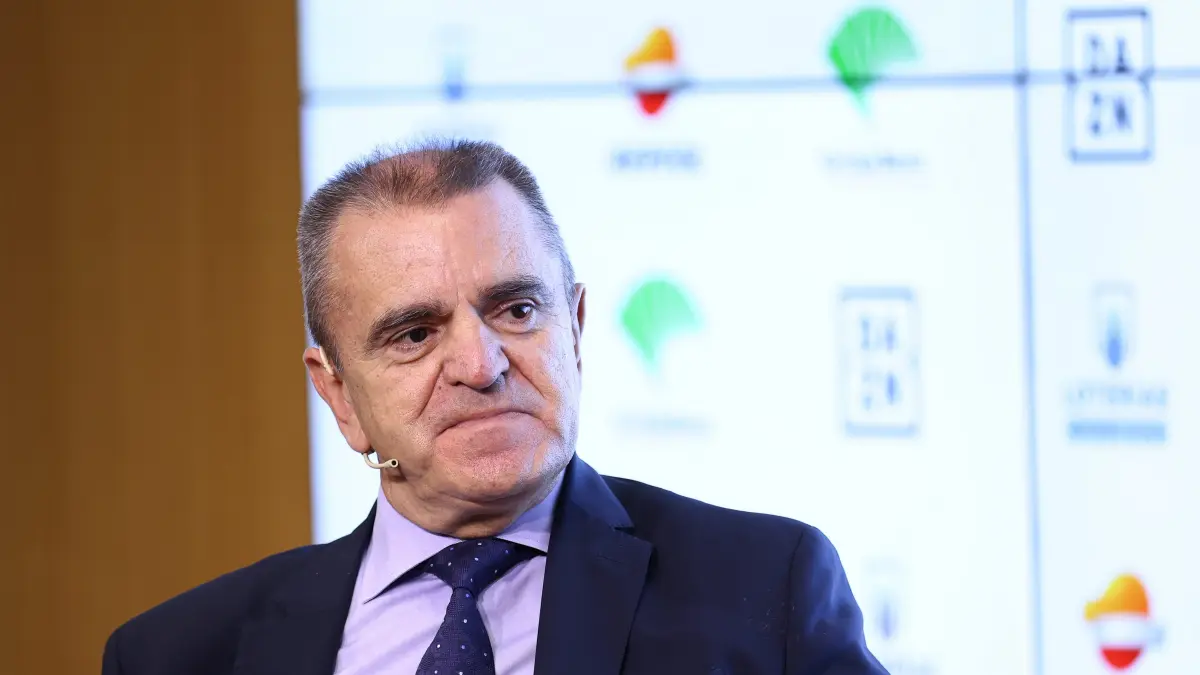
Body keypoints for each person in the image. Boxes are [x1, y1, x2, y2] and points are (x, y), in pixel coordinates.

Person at [101, 139, 888, 675]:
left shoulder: (764, 589)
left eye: (516, 310)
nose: (482, 366)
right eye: (415, 333)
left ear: (575, 330)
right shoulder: (179, 653)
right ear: (339, 394)